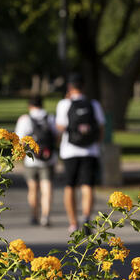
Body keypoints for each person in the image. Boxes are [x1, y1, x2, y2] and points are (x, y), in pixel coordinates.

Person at [56, 73, 105, 234]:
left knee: (70, 186)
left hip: (69, 150)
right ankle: (86, 217)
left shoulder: (64, 104)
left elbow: (60, 127)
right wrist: (96, 143)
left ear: (70, 87)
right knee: (87, 186)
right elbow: (100, 127)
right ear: (83, 86)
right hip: (90, 151)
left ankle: (73, 222)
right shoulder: (94, 104)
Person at [15, 96, 57, 227]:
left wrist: (19, 156)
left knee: (33, 189)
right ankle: (46, 216)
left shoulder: (25, 119)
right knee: (47, 187)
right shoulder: (50, 118)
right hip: (49, 158)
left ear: (29, 106)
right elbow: (57, 135)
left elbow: (20, 140)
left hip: (31, 159)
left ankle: (34, 215)